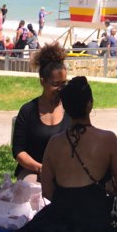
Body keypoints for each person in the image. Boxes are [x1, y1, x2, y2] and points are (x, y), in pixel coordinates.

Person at [15, 76, 117, 232]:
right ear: (90, 104)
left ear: (65, 106)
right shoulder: (107, 139)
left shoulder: (54, 143)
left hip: (63, 215)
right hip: (98, 214)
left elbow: (48, 192)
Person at [11, 41, 70, 179]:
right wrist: (40, 168)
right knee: (32, 190)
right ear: (42, 81)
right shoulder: (28, 111)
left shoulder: (70, 108)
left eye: (64, 83)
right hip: (33, 171)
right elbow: (18, 151)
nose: (61, 89)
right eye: (56, 84)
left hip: (65, 172)